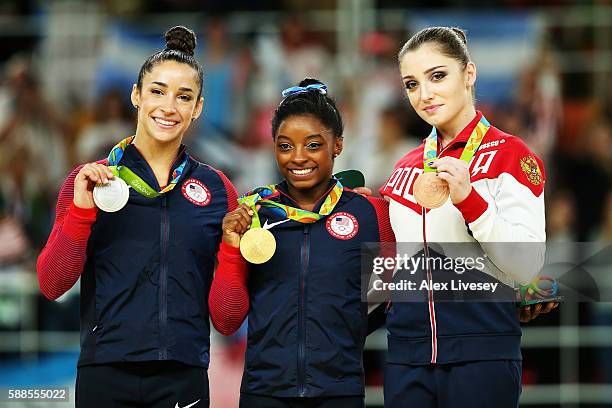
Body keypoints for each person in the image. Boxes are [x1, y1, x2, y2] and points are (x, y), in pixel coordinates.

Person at [36, 26, 237, 408]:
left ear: (197, 108)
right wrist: (81, 211)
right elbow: (51, 284)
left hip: (183, 375)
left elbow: (227, 320)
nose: (168, 107)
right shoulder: (91, 180)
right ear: (136, 95)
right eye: (157, 91)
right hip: (106, 371)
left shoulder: (216, 190)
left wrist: (230, 252)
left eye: (183, 97)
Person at [378, 27, 555, 407]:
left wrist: (470, 199)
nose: (424, 94)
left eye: (437, 76)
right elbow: (391, 265)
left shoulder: (511, 154)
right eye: (411, 84)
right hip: (407, 357)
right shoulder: (404, 167)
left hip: (482, 354)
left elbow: (527, 265)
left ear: (469, 74)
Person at [208, 78, 395, 408]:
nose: (298, 158)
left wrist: (338, 336)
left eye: (312, 145)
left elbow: (386, 303)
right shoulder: (252, 212)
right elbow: (226, 321)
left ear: (337, 144)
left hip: (338, 392)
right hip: (264, 392)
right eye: (285, 146)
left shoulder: (370, 214)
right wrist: (230, 248)